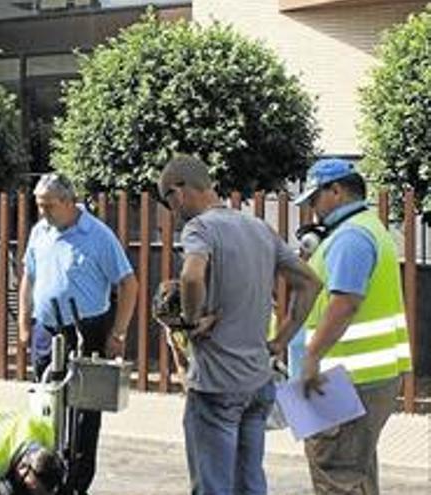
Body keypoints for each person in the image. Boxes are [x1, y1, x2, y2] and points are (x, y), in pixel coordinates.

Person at [157, 155, 320, 495]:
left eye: (168, 200)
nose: (172, 211)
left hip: (217, 384)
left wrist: (189, 320)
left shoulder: (199, 228)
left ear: (180, 191)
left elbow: (191, 275)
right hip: (258, 383)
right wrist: (281, 340)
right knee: (249, 483)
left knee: (213, 486)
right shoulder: (259, 228)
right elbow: (310, 283)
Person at [293, 158, 412, 494]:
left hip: (338, 378)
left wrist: (311, 358)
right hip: (361, 377)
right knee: (355, 477)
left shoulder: (350, 238)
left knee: (333, 476)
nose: (313, 210)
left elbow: (345, 303)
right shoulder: (369, 229)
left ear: (337, 190)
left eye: (315, 199)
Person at [17, 172, 138, 495]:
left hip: (88, 329)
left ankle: (76, 485)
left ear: (69, 202)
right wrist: (25, 324)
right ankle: (41, 478)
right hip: (46, 328)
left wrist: (119, 332)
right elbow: (29, 275)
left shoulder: (98, 235)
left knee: (84, 414)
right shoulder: (40, 231)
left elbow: (128, 283)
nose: (42, 212)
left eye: (48, 206)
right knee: (44, 406)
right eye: (39, 206)